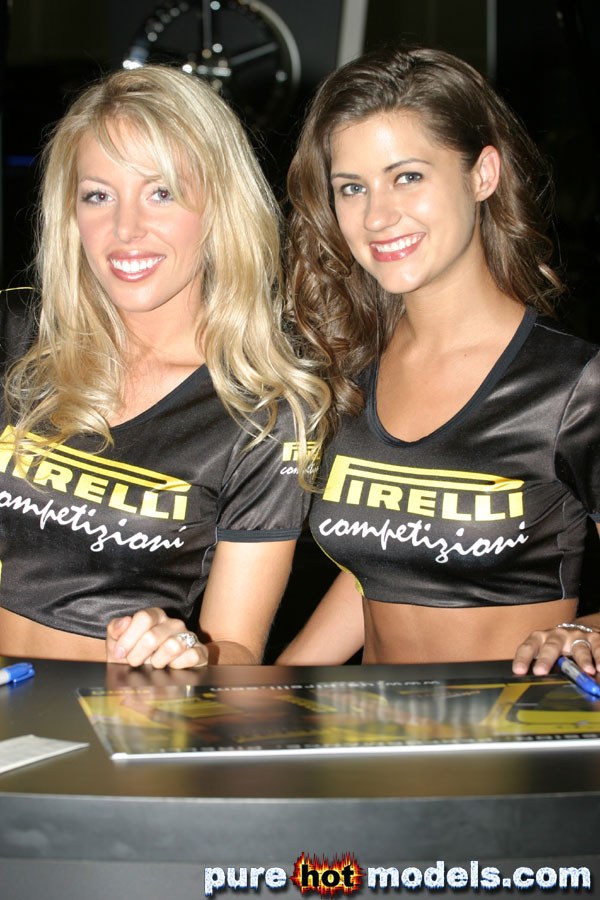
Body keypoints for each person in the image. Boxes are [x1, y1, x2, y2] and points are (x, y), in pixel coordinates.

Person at [277, 45, 600, 677]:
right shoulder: (350, 370)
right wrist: (264, 692)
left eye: (407, 177)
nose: (377, 215)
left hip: (506, 733)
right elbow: (386, 563)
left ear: (483, 175)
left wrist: (584, 630)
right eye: (352, 188)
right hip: (364, 730)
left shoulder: (571, 387)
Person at [0, 65, 328, 668]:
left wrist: (187, 654)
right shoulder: (18, 334)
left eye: (161, 193)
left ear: (219, 207)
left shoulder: (264, 412)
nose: (125, 230)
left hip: (105, 717)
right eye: (98, 195)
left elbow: (237, 652)